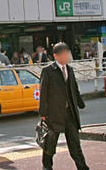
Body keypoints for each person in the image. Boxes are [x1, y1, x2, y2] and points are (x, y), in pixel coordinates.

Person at [39, 42, 88, 170]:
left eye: (68, 54)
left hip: (70, 113)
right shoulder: (48, 71)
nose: (67, 57)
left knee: (75, 144)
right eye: (64, 54)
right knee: (50, 145)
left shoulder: (70, 70)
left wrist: (80, 103)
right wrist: (43, 113)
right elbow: (43, 93)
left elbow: (74, 89)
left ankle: (83, 168)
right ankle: (47, 167)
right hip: (54, 114)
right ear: (56, 56)